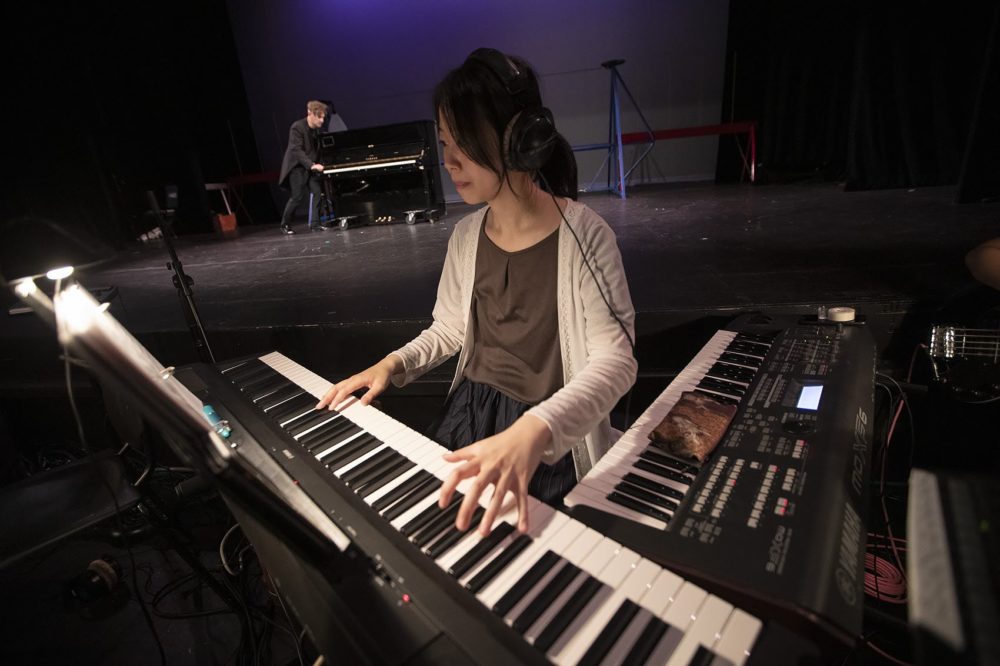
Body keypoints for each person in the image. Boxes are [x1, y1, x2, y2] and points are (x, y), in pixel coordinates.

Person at [316, 48, 637, 537]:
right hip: (472, 412)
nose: (448, 162)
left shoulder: (586, 236)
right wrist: (392, 364)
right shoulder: (466, 237)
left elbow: (616, 362)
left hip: (546, 434)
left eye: (461, 143)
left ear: (518, 141)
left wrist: (534, 431)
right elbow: (448, 328)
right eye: (444, 143)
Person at [278, 100, 328, 234]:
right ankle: (285, 224)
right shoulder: (297, 127)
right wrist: (311, 165)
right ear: (310, 113)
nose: (322, 120)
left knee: (317, 192)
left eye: (323, 117)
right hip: (297, 167)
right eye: (320, 117)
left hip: (310, 166)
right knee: (297, 197)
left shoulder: (316, 131)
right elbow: (296, 150)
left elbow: (316, 151)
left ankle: (315, 224)